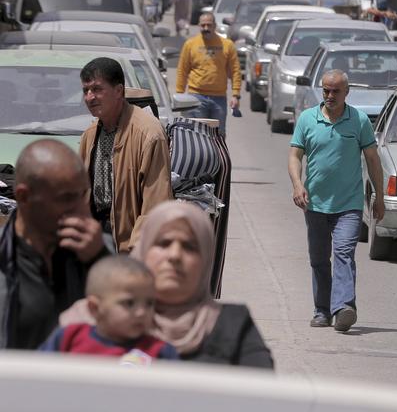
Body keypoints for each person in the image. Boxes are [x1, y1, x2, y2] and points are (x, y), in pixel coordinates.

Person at [62, 201, 274, 368]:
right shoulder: (88, 319)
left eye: (190, 247)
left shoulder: (233, 325)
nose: (175, 255)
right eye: (163, 243)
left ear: (206, 259)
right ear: (143, 249)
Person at [288, 70, 385, 332]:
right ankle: (322, 310)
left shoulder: (359, 120)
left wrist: (379, 196)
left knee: (343, 252)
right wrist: (298, 185)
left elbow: (373, 160)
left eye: (336, 91)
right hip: (315, 203)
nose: (330, 96)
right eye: (326, 91)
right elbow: (295, 156)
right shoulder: (308, 119)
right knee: (319, 258)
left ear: (347, 92)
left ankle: (343, 307)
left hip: (349, 204)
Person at [0, 140, 111, 349]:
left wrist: (100, 260)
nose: (80, 209)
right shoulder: (5, 257)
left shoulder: (98, 248)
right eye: (66, 198)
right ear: (24, 196)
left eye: (83, 195)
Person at [79, 57, 173, 253]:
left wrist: (137, 251)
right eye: (85, 91)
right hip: (95, 238)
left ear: (119, 91)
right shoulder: (90, 134)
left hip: (129, 243)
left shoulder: (148, 134)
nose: (89, 97)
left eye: (97, 89)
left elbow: (155, 203)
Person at [40, 256, 178, 362]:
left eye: (149, 303)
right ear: (94, 308)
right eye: (129, 303)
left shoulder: (161, 351)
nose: (142, 312)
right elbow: (37, 374)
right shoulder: (68, 337)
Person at [176, 12, 241, 134]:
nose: (206, 28)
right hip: (196, 97)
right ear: (199, 26)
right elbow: (182, 70)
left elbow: (235, 70)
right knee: (197, 134)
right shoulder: (190, 45)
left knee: (218, 135)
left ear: (214, 26)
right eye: (203, 25)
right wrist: (179, 94)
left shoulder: (227, 45)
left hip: (219, 99)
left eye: (209, 25)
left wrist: (235, 94)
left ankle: (217, 154)